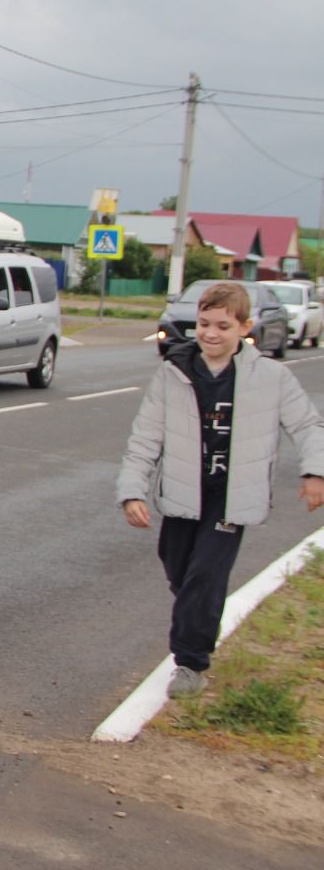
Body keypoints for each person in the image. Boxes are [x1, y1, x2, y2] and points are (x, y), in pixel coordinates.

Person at [117, 281, 324, 700]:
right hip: (181, 495)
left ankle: (190, 664)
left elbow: (307, 426)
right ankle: (200, 609)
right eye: (204, 323)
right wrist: (132, 491)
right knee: (180, 572)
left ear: (244, 328)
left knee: (205, 575)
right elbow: (145, 439)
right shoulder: (173, 373)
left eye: (223, 326)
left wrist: (315, 472)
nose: (210, 334)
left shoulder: (271, 377)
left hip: (232, 498)